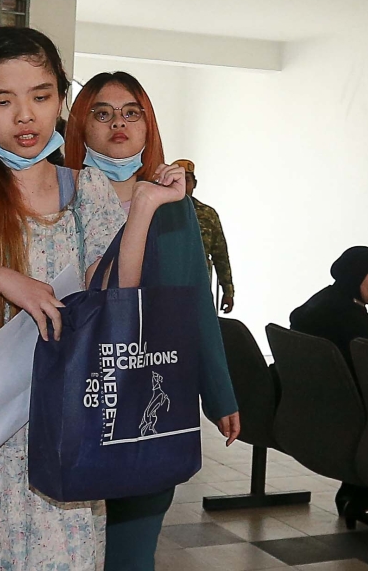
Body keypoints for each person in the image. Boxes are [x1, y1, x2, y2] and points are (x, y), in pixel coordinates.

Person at [0, 27, 184, 570]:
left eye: (41, 97)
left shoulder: (85, 188)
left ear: (61, 100)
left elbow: (115, 298)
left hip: (59, 421)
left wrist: (142, 209)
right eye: (2, 101)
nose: (25, 116)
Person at [64, 71, 241, 571]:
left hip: (151, 388)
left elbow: (195, 301)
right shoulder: (58, 195)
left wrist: (219, 393)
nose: (118, 124)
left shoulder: (174, 205)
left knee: (133, 550)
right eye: (102, 113)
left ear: (148, 126)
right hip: (76, 389)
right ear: (81, 126)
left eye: (131, 113)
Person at [289, 246, 368, 531]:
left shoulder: (326, 299)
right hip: (333, 407)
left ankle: (355, 497)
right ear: (355, 274)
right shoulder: (349, 317)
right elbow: (365, 367)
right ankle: (361, 499)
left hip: (308, 396)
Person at [172, 159, 235, 313]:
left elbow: (220, 255)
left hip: (199, 288)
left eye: (187, 180)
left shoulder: (207, 214)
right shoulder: (159, 212)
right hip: (167, 288)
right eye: (177, 180)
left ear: (194, 184)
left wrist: (228, 290)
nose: (183, 185)